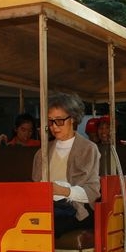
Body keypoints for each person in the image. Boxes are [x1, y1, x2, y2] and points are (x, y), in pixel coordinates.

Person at [32, 92, 100, 237]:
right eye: (50, 121)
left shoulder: (88, 149)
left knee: (46, 226)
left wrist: (63, 191)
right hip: (46, 209)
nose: (54, 126)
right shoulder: (41, 153)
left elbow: (92, 193)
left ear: (73, 119)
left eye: (59, 120)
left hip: (78, 210)